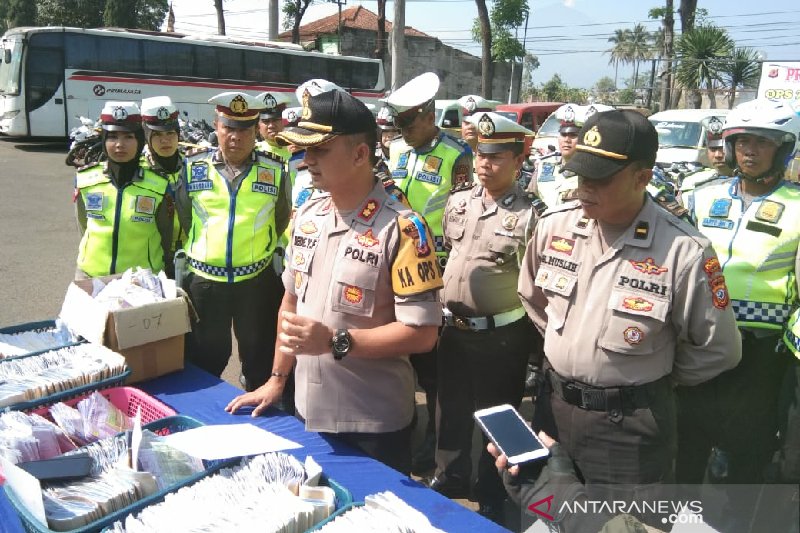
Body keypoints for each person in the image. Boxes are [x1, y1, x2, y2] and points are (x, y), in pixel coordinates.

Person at [517, 109, 741, 523]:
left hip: (629, 430)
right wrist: (571, 348)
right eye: (581, 175)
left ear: (642, 177)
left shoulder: (683, 250)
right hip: (555, 410)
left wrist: (647, 376)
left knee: (625, 527)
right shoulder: (555, 226)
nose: (584, 188)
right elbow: (532, 297)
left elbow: (718, 349)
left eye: (599, 179)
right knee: (549, 518)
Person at [225, 89, 443, 475]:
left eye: (320, 150)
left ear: (360, 154)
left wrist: (334, 342)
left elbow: (423, 333)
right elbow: (290, 306)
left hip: (372, 424)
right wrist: (276, 380)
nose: (307, 160)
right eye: (304, 149)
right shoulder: (309, 215)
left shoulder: (404, 227)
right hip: (306, 410)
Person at [427, 112, 544, 523]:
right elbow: (448, 251)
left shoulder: (532, 215)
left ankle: (495, 490)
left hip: (502, 334)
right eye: (479, 154)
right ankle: (451, 474)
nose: (483, 164)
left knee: (499, 415)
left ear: (518, 159)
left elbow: (537, 281)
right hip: (453, 328)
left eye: (495, 157)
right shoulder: (458, 201)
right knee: (450, 407)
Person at [680, 99, 800, 489]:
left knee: (746, 450)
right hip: (700, 340)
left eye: (762, 142)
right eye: (743, 141)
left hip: (762, 350)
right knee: (686, 440)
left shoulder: (797, 206)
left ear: (783, 149)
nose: (750, 150)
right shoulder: (700, 196)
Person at [383, 72, 473, 474]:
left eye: (409, 122)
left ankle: (436, 445)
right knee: (396, 355)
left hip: (437, 267)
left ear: (430, 113)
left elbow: (466, 215)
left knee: (435, 367)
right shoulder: (398, 149)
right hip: (396, 263)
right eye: (399, 123)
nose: (403, 130)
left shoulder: (457, 154)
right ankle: (402, 428)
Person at [174, 91, 290, 392]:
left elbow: (280, 219)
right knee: (206, 358)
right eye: (228, 128)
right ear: (216, 126)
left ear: (255, 132)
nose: (235, 137)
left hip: (255, 283)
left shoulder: (275, 171)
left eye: (244, 130)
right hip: (205, 284)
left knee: (257, 357)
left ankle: (257, 408)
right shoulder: (192, 167)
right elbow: (186, 217)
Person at [74, 101, 173, 279]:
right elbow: (83, 225)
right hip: (90, 276)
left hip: (142, 280)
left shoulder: (158, 185)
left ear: (140, 140)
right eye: (112, 136)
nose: (120, 144)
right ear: (104, 140)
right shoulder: (86, 180)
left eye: (128, 137)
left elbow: (165, 236)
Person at [528, 103, 611, 207]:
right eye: (563, 134)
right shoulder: (544, 165)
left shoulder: (595, 172)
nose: (567, 140)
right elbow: (531, 199)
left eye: (573, 135)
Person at [140, 96, 184, 254]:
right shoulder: (139, 172)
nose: (165, 140)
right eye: (157, 135)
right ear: (146, 136)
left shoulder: (193, 166)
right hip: (153, 257)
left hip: (191, 254)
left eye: (170, 133)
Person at [678, 116, 732, 196]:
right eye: (713, 149)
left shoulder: (751, 185)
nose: (718, 155)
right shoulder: (691, 181)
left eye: (723, 149)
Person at [255, 90, 294, 163]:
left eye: (276, 120)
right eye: (266, 121)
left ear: (284, 121)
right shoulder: (251, 153)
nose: (271, 125)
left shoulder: (298, 150)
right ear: (258, 125)